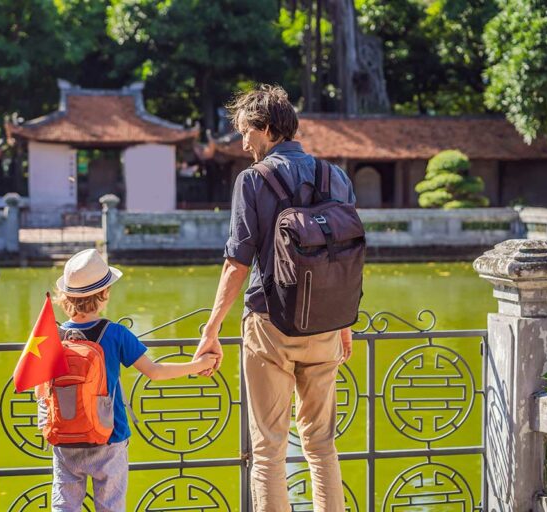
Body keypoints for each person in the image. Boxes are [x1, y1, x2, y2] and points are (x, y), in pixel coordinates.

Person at [193, 85, 356, 511]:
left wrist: (211, 330)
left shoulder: (253, 180)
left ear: (266, 129)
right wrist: (345, 322)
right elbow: (345, 254)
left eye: (246, 131)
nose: (242, 142)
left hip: (270, 325)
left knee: (268, 448)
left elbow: (237, 263)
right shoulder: (335, 176)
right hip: (325, 324)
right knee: (321, 444)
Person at [45, 248, 218, 511]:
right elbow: (154, 372)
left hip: (64, 437)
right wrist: (197, 365)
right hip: (109, 436)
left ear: (66, 298)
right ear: (104, 295)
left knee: (64, 505)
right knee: (110, 505)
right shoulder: (115, 334)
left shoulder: (52, 336)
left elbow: (40, 389)